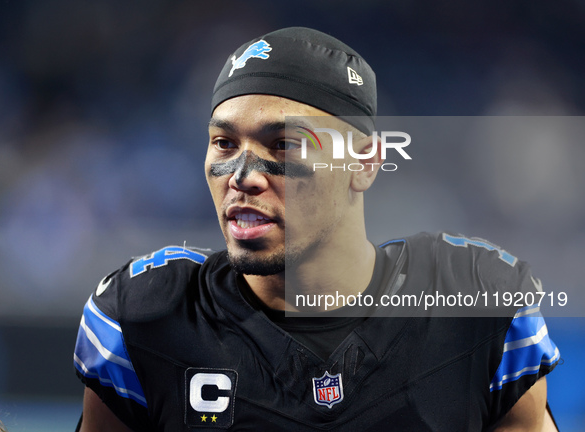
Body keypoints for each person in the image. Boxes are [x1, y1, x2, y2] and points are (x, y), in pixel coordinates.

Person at [73, 27, 560, 431]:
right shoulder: (145, 318)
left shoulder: (479, 305)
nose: (242, 177)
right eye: (223, 142)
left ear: (365, 162)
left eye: (283, 144)